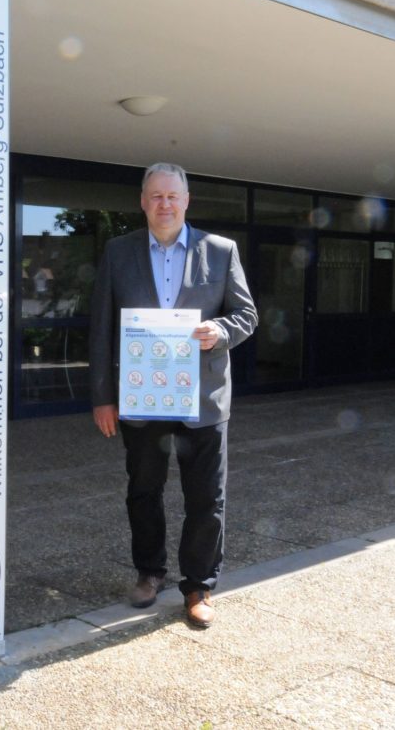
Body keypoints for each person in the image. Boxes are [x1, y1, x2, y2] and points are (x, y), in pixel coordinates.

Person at [89, 163, 257, 628]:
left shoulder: (220, 251)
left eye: (173, 196)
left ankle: (199, 585)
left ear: (187, 201)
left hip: (202, 401)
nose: (164, 204)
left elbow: (246, 316)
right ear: (143, 202)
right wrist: (103, 397)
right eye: (156, 196)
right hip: (142, 400)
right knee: (143, 492)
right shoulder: (118, 252)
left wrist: (218, 330)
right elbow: (101, 326)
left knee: (206, 498)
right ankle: (149, 572)